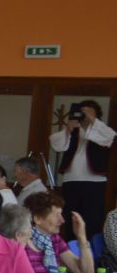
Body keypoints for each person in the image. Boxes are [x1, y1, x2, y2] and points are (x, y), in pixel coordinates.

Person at [50, 99, 114, 240]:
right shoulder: (72, 130)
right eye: (81, 112)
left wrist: (92, 121)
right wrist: (68, 129)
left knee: (93, 219)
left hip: (95, 182)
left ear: (96, 116)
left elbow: (110, 137)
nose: (84, 116)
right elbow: (57, 145)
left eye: (88, 113)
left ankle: (91, 249)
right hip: (71, 181)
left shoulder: (100, 130)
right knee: (70, 217)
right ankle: (71, 247)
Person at [23, 192, 94, 273]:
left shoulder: (55, 240)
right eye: (56, 215)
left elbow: (87, 272)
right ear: (37, 219)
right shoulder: (21, 243)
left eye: (61, 214)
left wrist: (82, 237)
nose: (62, 220)